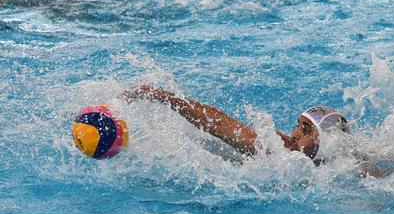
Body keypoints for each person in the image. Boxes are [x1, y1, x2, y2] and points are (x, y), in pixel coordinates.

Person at [121, 84, 350, 163]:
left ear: (329, 139)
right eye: (298, 125)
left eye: (307, 129)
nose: (296, 133)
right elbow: (219, 123)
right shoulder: (281, 150)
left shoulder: (349, 166)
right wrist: (165, 97)